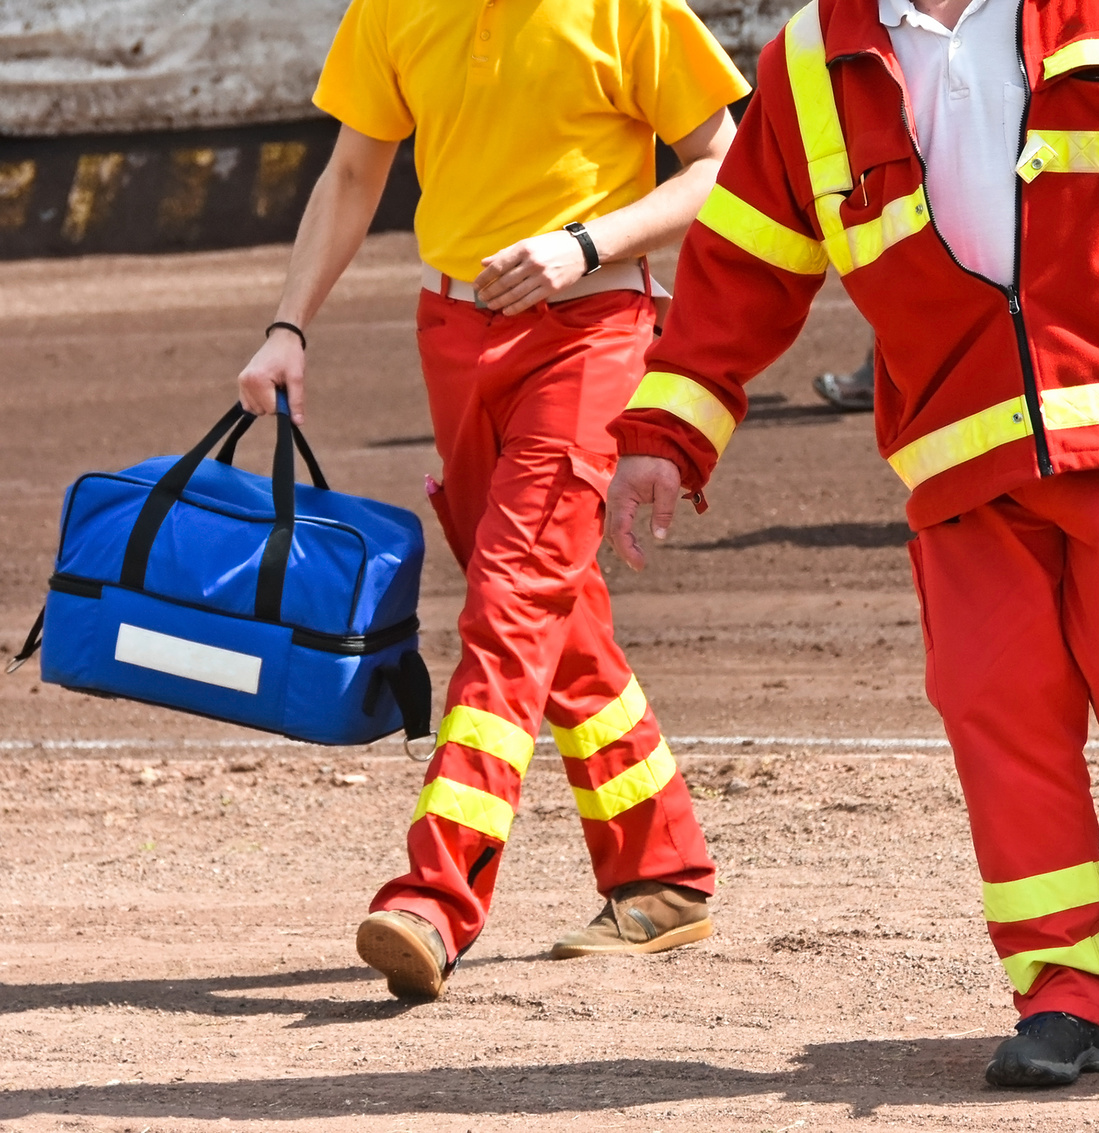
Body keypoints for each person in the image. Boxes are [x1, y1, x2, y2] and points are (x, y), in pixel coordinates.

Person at [605, 0, 1099, 1087]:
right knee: (993, 704)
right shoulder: (811, 58)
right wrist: (668, 429)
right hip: (957, 452)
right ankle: (1063, 988)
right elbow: (743, 262)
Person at [235, 0, 750, 1000]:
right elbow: (352, 171)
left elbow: (723, 159)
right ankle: (663, 874)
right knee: (557, 616)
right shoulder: (390, 11)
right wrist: (287, 324)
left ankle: (434, 895)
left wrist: (586, 244)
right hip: (454, 330)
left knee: (512, 604)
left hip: (593, 326)